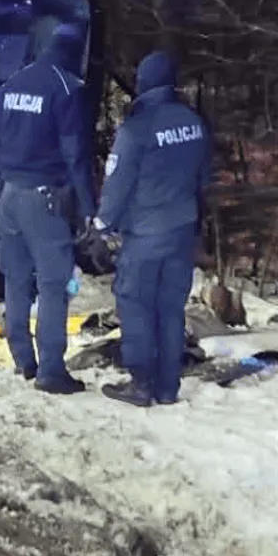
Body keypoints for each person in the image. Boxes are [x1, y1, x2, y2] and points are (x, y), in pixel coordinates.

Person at [94, 52, 214, 408]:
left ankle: (142, 384)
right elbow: (203, 177)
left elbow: (117, 183)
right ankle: (167, 387)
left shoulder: (137, 128)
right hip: (182, 229)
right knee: (170, 307)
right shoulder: (193, 121)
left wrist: (103, 226)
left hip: (146, 232)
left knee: (136, 305)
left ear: (144, 82)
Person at [0, 17, 94, 395]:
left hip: (8, 195)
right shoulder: (65, 87)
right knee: (53, 282)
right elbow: (75, 153)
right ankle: (51, 369)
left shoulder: (13, 83)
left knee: (15, 279)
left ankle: (23, 360)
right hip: (42, 197)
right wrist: (86, 205)